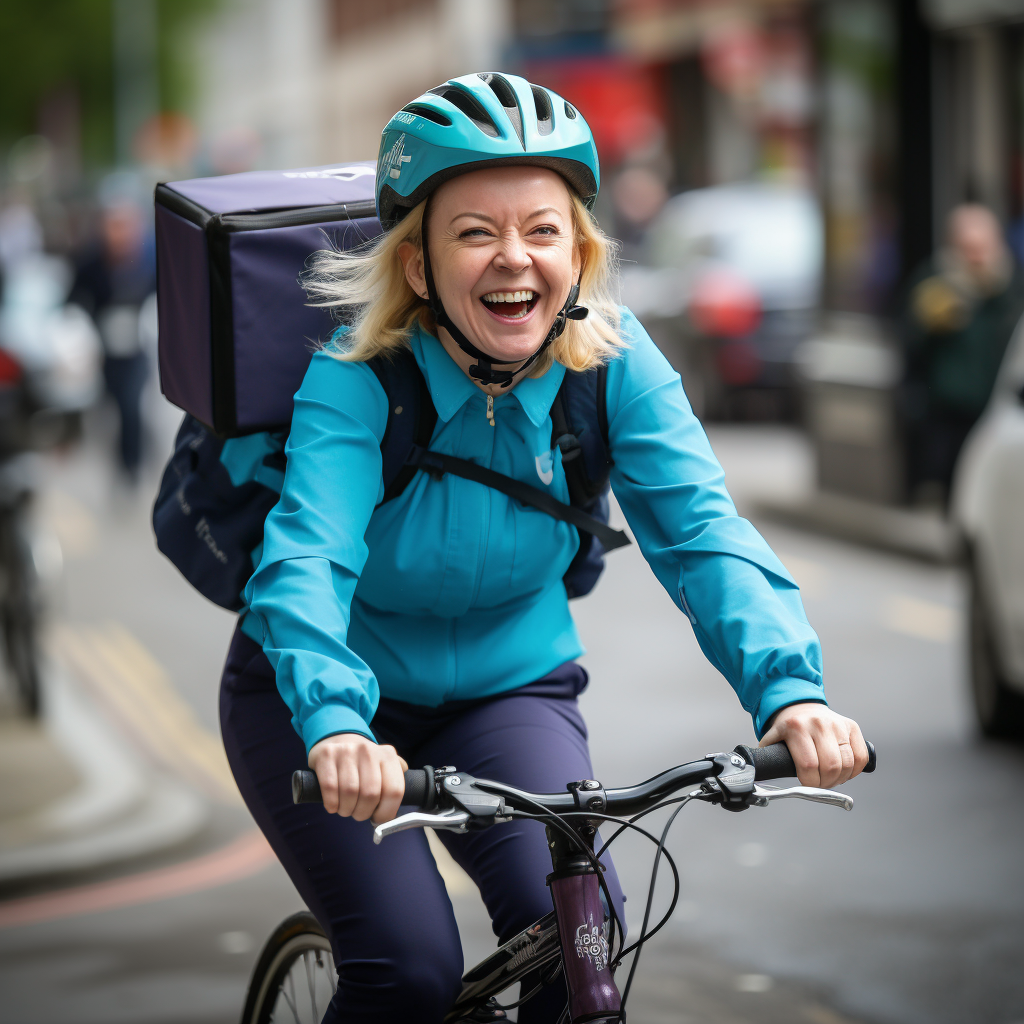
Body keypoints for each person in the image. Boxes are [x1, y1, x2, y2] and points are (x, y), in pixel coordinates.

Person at [217, 73, 868, 1024]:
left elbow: (702, 532)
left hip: (506, 690)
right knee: (408, 968)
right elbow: (306, 561)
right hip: (323, 708)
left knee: (582, 936)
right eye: (475, 231)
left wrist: (792, 691)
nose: (512, 257)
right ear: (418, 265)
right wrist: (339, 727)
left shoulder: (612, 365)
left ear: (581, 252)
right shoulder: (358, 380)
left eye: (543, 229)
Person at [903, 202, 1024, 503]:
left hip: (996, 406)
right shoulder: (934, 283)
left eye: (981, 247)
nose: (976, 257)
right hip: (948, 409)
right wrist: (926, 324)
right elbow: (908, 344)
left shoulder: (1010, 286)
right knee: (951, 483)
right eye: (968, 248)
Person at [70, 194, 155, 482]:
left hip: (138, 347)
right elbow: (72, 303)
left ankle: (131, 465)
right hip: (102, 349)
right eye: (113, 225)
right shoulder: (90, 263)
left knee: (132, 404)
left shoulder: (151, 260)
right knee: (108, 405)